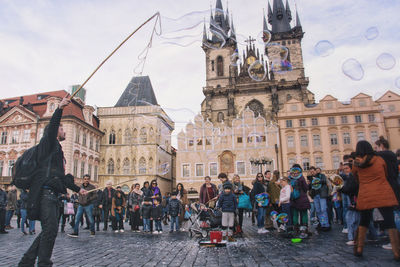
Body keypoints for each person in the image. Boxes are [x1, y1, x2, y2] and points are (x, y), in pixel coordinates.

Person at [18, 96, 87, 267]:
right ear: (56, 131)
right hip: (45, 194)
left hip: (52, 195)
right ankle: (44, 262)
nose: (64, 132)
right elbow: (51, 129)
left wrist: (78, 189)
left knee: (50, 230)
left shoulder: (56, 151)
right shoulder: (48, 144)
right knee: (50, 230)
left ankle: (27, 261)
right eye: (62, 129)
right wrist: (60, 108)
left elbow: (61, 178)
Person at [352, 140, 399, 260]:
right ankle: (397, 252)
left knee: (364, 221)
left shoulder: (356, 164)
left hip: (366, 193)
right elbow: (386, 173)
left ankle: (359, 248)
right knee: (390, 222)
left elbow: (356, 179)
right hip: (382, 192)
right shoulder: (379, 160)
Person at [339, 163, 360, 246]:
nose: (345, 170)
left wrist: (339, 187)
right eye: (344, 169)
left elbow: (349, 189)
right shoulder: (350, 177)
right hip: (355, 200)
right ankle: (373, 236)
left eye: (347, 168)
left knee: (350, 219)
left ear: (351, 169)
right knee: (358, 220)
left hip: (355, 201)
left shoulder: (352, 177)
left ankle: (353, 239)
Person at [289, 164, 311, 237]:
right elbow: (306, 188)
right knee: (304, 214)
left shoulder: (290, 178)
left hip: (293, 199)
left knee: (295, 214)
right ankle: (304, 229)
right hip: (302, 199)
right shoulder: (301, 178)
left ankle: (296, 229)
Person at [308, 166, 331, 231]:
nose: (312, 173)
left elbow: (324, 181)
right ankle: (322, 223)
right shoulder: (310, 178)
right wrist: (309, 183)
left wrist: (316, 180)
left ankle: (326, 224)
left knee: (323, 209)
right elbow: (309, 187)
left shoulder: (321, 175)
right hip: (315, 195)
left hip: (321, 195)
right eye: (311, 172)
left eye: (313, 171)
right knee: (318, 210)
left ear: (315, 171)